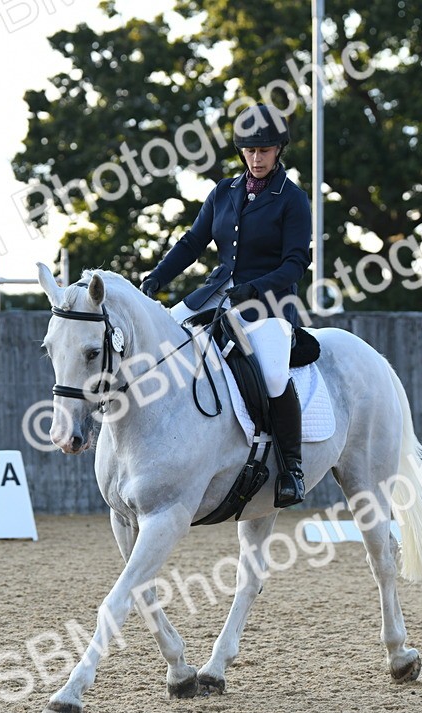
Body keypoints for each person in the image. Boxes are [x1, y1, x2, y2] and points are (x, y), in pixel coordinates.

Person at [139, 103, 310, 507]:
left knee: (271, 375)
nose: (257, 158)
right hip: (214, 294)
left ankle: (292, 467)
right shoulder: (223, 192)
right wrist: (156, 278)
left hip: (268, 303)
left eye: (264, 150)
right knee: (159, 345)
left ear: (278, 151)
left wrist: (254, 289)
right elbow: (193, 243)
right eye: (250, 151)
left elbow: (296, 263)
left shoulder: (293, 199)